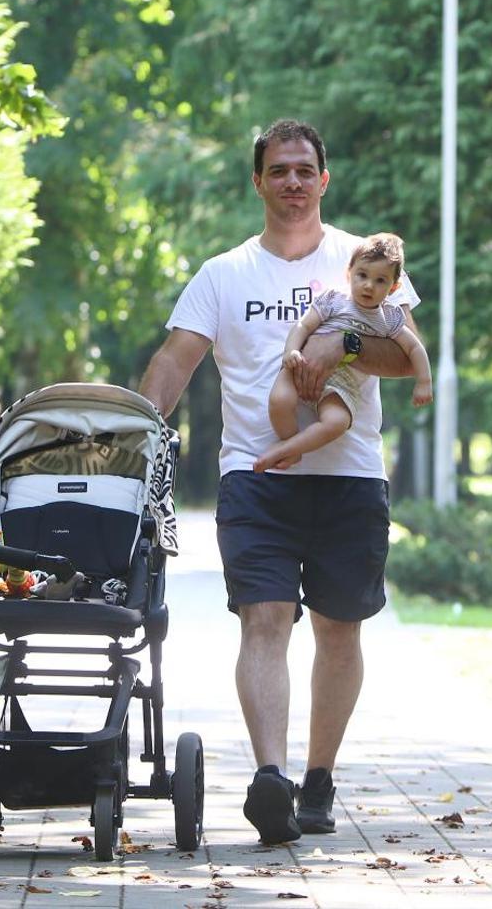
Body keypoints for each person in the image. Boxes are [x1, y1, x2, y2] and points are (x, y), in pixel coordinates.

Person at [138, 118, 423, 845]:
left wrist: (341, 344)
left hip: (348, 475)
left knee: (338, 628)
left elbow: (405, 356)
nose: (292, 182)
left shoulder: (365, 261)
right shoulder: (224, 274)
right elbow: (175, 359)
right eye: (278, 170)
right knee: (263, 620)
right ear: (258, 182)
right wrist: (134, 432)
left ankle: (318, 780)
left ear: (323, 180)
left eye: (304, 170)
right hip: (255, 476)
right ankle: (272, 777)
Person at [255, 232, 432, 474]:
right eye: (362, 275)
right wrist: (291, 351)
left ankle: (289, 449)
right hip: (302, 363)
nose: (369, 285)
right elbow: (303, 325)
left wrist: (424, 382)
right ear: (349, 273)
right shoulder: (334, 301)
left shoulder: (388, 319)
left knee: (337, 422)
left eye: (380, 280)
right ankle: (289, 441)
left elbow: (414, 347)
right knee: (279, 400)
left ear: (394, 287)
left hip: (342, 383)